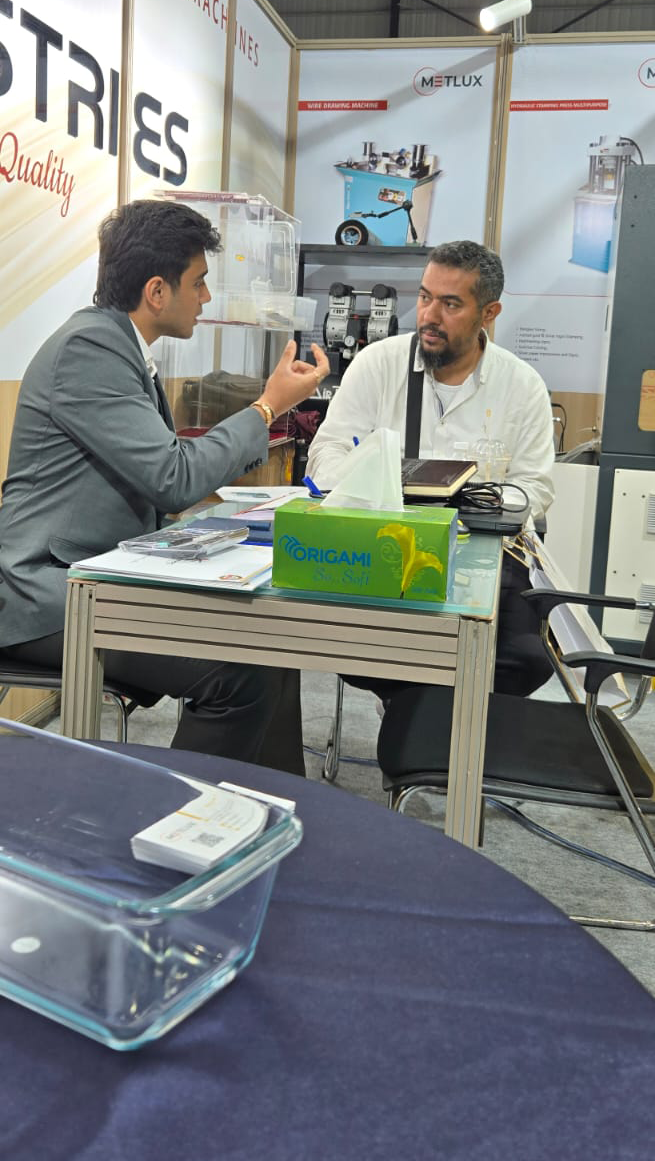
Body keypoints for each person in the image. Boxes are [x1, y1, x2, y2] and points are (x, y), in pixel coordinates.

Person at [0, 200, 329, 768]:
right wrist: (267, 406)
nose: (206, 297)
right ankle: (179, 816)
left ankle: (266, 806)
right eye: (198, 283)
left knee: (271, 639)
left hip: (100, 574)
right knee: (239, 675)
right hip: (45, 595)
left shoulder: (118, 346)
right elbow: (173, 478)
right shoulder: (89, 349)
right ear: (157, 291)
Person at [307, 239, 555, 696]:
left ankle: (427, 726)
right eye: (424, 297)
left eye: (450, 304)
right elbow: (325, 458)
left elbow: (534, 490)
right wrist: (385, 482)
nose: (429, 316)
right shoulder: (377, 365)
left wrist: (465, 504)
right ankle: (424, 727)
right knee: (370, 651)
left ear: (489, 313)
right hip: (386, 551)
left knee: (524, 659)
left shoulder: (522, 386)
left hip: (486, 560)